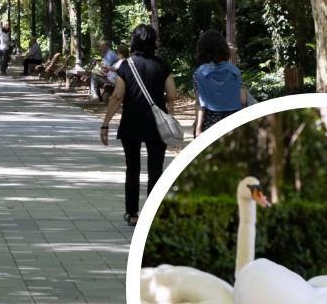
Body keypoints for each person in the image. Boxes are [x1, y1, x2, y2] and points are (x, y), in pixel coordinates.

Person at [100, 24, 179, 226]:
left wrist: (105, 124)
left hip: (131, 123)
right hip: (157, 125)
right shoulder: (163, 65)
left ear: (134, 41)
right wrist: (171, 114)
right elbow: (172, 95)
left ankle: (133, 213)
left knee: (132, 168)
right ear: (153, 42)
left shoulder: (126, 66)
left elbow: (117, 96)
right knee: (156, 170)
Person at [193, 29, 249, 134]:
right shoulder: (234, 71)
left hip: (209, 126)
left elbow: (200, 104)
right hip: (233, 125)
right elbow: (243, 100)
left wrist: (198, 129)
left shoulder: (199, 73)